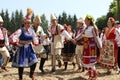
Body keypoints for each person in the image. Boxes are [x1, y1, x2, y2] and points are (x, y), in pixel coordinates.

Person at [9, 8, 38, 80]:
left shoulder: (32, 30)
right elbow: (12, 37)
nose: (28, 24)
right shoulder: (20, 30)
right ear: (24, 23)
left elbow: (35, 37)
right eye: (27, 23)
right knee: (21, 64)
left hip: (30, 48)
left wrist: (36, 44)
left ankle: (31, 74)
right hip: (22, 48)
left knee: (35, 61)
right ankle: (20, 77)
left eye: (29, 23)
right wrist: (16, 43)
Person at [82, 14, 102, 80]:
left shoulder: (93, 28)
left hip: (91, 47)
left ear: (89, 21)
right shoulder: (85, 28)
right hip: (85, 47)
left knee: (91, 62)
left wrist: (100, 47)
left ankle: (95, 74)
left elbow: (96, 38)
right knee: (87, 62)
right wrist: (75, 39)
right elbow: (80, 35)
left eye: (85, 19)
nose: (84, 21)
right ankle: (90, 75)